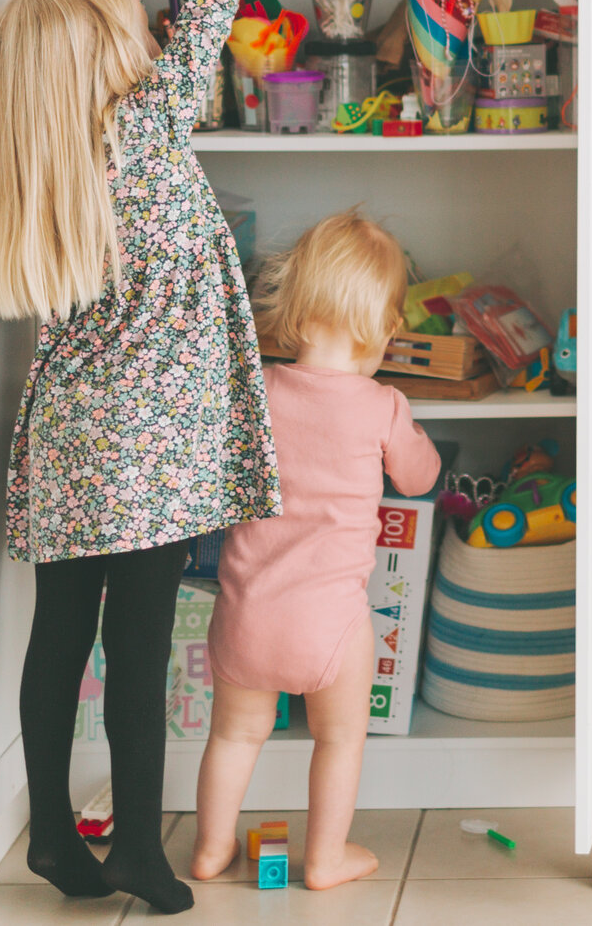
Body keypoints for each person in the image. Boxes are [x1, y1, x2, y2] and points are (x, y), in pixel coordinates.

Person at [0, 0, 270, 915]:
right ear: (114, 65)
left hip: (69, 439)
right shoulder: (147, 130)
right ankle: (140, 850)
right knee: (137, 652)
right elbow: (203, 30)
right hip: (150, 452)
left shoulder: (39, 159)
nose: (148, 42)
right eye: (128, 33)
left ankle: (54, 832)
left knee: (60, 632)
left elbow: (65, 48)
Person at [189, 210, 441, 888]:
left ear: (294, 305)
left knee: (234, 736)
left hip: (245, 614)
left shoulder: (259, 390)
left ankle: (211, 847)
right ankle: (325, 857)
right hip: (330, 625)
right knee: (338, 739)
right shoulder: (380, 404)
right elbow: (421, 477)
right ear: (385, 328)